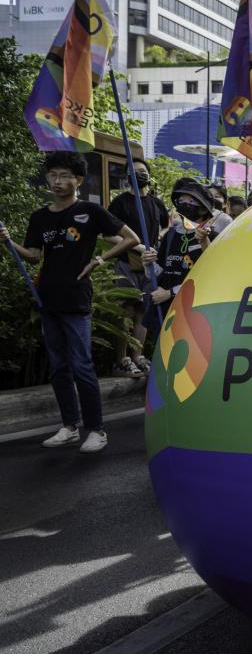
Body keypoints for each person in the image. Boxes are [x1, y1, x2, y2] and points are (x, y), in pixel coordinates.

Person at [0, 152, 139, 453]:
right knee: (59, 367)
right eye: (53, 175)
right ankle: (69, 426)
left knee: (82, 365)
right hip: (47, 298)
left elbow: (130, 238)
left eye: (64, 176)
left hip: (76, 299)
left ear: (78, 180)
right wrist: (9, 242)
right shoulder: (40, 217)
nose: (57, 181)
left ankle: (96, 430)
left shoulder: (90, 210)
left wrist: (99, 259)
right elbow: (35, 255)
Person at [107, 156, 170, 377]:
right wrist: (135, 246)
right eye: (133, 171)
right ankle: (122, 359)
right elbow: (107, 234)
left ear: (148, 175)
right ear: (127, 177)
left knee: (144, 310)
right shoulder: (120, 203)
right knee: (127, 309)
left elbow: (166, 226)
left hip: (149, 265)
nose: (138, 174)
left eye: (142, 171)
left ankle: (138, 356)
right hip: (126, 262)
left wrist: (154, 245)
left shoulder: (156, 203)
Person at [142, 179, 220, 328]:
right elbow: (159, 273)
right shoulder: (170, 234)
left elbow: (210, 276)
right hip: (164, 311)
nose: (184, 204)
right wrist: (147, 263)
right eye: (181, 200)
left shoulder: (211, 237)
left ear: (203, 209)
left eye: (190, 201)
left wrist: (170, 293)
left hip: (194, 312)